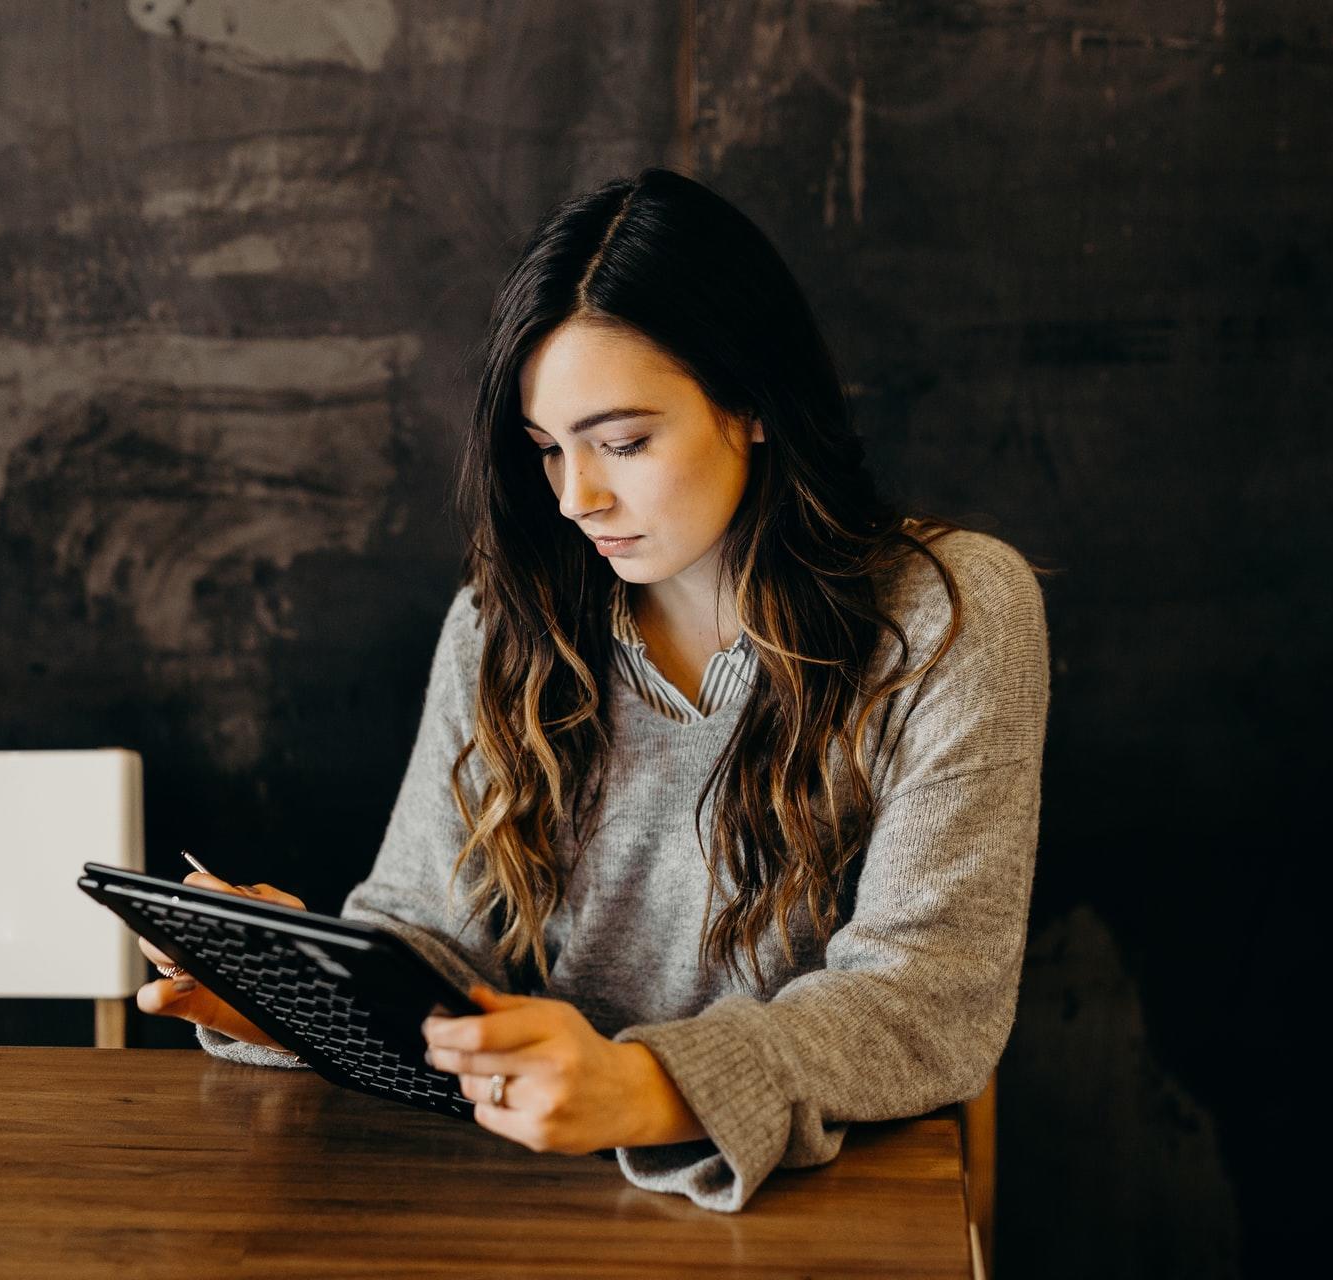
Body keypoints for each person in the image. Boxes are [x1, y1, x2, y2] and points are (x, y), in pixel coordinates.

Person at [135, 167, 1051, 1213]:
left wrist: (645, 1085)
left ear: (751, 401)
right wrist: (297, 993)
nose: (577, 498)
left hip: (828, 1210)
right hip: (538, 1203)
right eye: (546, 451)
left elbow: (930, 995)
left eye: (622, 442)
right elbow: (436, 942)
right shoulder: (501, 623)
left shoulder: (949, 613)